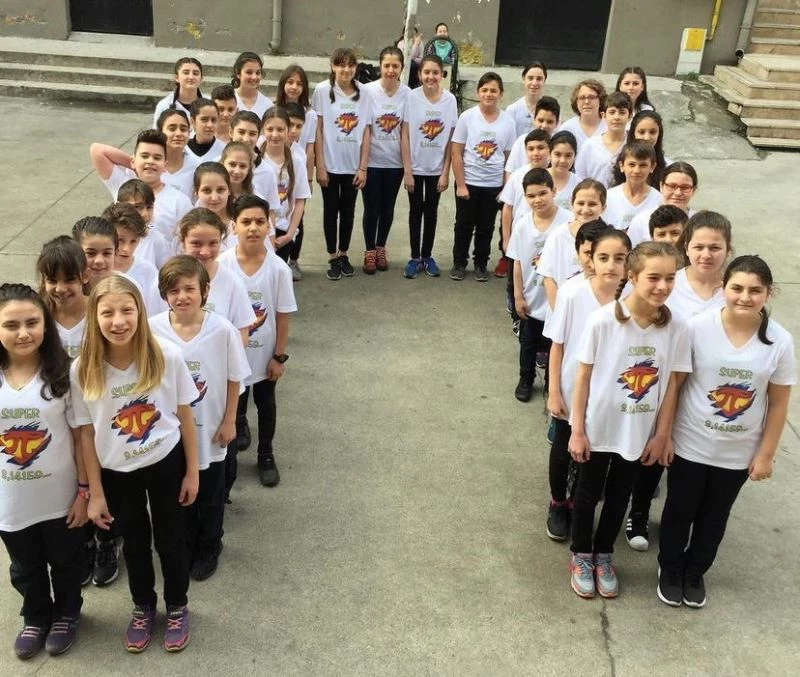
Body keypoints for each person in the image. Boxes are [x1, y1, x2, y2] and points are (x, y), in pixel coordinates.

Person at [657, 256, 795, 608]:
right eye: (737, 288)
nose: (745, 297)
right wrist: (665, 434)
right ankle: (670, 568)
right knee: (680, 509)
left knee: (715, 516)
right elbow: (675, 385)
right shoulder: (697, 328)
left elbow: (779, 403)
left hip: (738, 452)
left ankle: (695, 571)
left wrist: (765, 455)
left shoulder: (779, 341)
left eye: (755, 290)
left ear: (769, 293)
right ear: (723, 289)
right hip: (691, 442)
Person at [71, 275, 199, 652]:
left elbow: (185, 416)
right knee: (135, 544)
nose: (118, 321)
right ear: (94, 317)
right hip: (117, 471)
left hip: (165, 462)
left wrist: (192, 471)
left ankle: (177, 605)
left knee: (171, 540)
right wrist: (95, 493)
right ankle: (143, 606)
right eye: (107, 313)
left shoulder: (166, 355)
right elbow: (86, 434)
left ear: (141, 312)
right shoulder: (83, 369)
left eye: (127, 310)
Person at [568, 242, 691, 599]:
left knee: (620, 496)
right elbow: (582, 378)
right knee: (587, 494)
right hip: (599, 428)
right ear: (633, 276)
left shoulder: (677, 327)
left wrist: (662, 434)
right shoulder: (603, 320)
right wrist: (577, 430)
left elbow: (672, 385)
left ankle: (604, 553)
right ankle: (581, 554)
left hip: (637, 431)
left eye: (670, 278)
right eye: (653, 277)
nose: (662, 286)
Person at [625, 211, 732, 551]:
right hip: (663, 383)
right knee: (654, 449)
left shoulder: (732, 290)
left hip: (709, 391)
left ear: (728, 249)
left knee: (689, 464)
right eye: (698, 246)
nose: (706, 254)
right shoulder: (671, 283)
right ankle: (638, 512)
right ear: (686, 247)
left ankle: (681, 522)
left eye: (715, 247)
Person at [0, 284, 88, 659]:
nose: (23, 333)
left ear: (46, 324)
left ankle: (67, 613)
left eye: (32, 322)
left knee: (67, 563)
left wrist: (84, 492)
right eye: (11, 325)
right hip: (11, 503)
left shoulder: (65, 374)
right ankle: (35, 616)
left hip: (61, 500)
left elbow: (81, 437)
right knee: (25, 567)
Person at [150, 256, 250, 581]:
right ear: (164, 294)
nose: (182, 296)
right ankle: (188, 540)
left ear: (205, 291)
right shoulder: (151, 330)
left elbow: (235, 378)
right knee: (180, 493)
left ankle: (210, 545)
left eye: (189, 288)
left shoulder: (223, 330)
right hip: (170, 434)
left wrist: (230, 420)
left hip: (211, 431)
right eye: (173, 290)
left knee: (210, 494)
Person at [544, 225, 630, 540]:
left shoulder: (634, 298)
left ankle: (581, 502)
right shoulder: (572, 292)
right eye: (603, 257)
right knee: (563, 447)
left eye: (619, 258)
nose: (611, 265)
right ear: (590, 259)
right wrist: (554, 392)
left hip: (611, 393)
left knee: (594, 454)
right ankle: (558, 502)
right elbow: (557, 345)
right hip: (572, 387)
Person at [217, 196, 297, 488]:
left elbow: (282, 317)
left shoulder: (278, 269)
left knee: (266, 403)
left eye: (260, 222)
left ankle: (266, 454)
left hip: (264, 356)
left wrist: (278, 357)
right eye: (246, 221)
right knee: (234, 401)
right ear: (233, 226)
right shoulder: (222, 266)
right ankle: (235, 436)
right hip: (231, 356)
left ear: (269, 226)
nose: (253, 228)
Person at [506, 169, 570, 401]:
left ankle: (553, 383)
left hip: (558, 299)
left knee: (556, 344)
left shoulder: (568, 222)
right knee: (528, 343)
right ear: (524, 197)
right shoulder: (522, 225)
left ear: (554, 191)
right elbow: (517, 262)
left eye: (543, 193)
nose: (538, 200)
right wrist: (518, 296)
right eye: (531, 196)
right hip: (532, 296)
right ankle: (526, 378)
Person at [449, 72, 516, 281]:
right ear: (478, 93)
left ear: (501, 94)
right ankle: (459, 262)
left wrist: (505, 187)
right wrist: (461, 184)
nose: (488, 94)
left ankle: (481, 263)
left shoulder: (508, 121)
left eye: (493, 90)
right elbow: (456, 152)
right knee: (463, 225)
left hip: (493, 184)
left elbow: (509, 158)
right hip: (469, 181)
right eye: (484, 90)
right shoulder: (467, 117)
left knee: (486, 227)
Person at [312, 47, 371, 281]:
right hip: (330, 164)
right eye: (341, 65)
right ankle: (332, 256)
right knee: (330, 211)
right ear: (332, 66)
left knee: (348, 212)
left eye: (350, 65)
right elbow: (318, 129)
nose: (346, 69)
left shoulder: (364, 93)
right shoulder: (322, 90)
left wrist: (363, 167)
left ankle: (343, 254)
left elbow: (366, 130)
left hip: (352, 165)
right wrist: (320, 165)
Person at [400, 54, 457, 279]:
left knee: (431, 212)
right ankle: (415, 257)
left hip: (436, 169)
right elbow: (405, 135)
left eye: (435, 72)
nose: (431, 77)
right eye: (426, 72)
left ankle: (427, 256)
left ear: (441, 74)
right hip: (415, 167)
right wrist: (407, 171)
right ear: (419, 74)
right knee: (415, 211)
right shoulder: (411, 97)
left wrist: (445, 172)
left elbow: (451, 138)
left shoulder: (449, 100)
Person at [90, 129, 193, 242]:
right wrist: (135, 165)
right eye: (144, 156)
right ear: (133, 161)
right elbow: (97, 150)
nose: (150, 161)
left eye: (157, 158)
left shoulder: (180, 201)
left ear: (165, 165)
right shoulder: (123, 186)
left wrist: (141, 164)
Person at [361, 46, 410, 274]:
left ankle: (381, 247)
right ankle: (369, 251)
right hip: (371, 161)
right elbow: (365, 128)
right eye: (387, 65)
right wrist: (362, 165)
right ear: (380, 66)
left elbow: (406, 132)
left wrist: (407, 168)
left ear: (402, 68)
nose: (391, 70)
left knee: (387, 208)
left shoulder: (407, 94)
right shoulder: (367, 91)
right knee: (371, 209)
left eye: (395, 66)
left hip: (394, 163)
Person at [539, 179, 607, 309]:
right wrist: (558, 312)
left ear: (603, 207)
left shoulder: (610, 238)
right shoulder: (558, 236)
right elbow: (548, 278)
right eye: (580, 203)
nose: (585, 210)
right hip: (563, 307)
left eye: (592, 204)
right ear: (572, 204)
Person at [277, 65, 318, 280]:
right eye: (290, 82)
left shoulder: (309, 115)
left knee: (296, 215)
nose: (294, 87)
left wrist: (309, 178)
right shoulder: (274, 110)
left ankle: (293, 260)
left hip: (296, 173)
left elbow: (310, 147)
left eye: (299, 83)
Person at [259, 107, 311, 262]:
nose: (275, 134)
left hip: (282, 229)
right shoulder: (256, 157)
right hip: (257, 226)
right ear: (263, 130)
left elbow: (300, 200)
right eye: (270, 129)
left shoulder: (296, 161)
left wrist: (290, 234)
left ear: (287, 130)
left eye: (280, 129)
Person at [627, 161, 698, 247]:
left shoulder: (699, 222)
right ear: (661, 186)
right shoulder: (641, 221)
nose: (678, 193)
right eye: (672, 186)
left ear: (694, 190)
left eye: (685, 187)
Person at [574, 91, 633, 187]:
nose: (616, 117)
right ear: (604, 116)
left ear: (629, 116)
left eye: (622, 113)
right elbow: (579, 177)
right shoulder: (590, 145)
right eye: (612, 112)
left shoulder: (632, 145)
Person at [604, 141, 661, 232]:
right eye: (631, 165)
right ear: (621, 166)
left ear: (652, 167)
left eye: (643, 165)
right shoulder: (608, 197)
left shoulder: (659, 200)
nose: (636, 170)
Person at [117, 179, 171, 268]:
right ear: (119, 206)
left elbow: (166, 271)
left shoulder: (156, 239)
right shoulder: (107, 235)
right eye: (137, 207)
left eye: (149, 207)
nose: (145, 214)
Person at [503, 96, 561, 174]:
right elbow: (509, 172)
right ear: (534, 119)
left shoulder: (558, 145)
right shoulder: (521, 141)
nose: (544, 126)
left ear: (557, 123)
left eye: (549, 122)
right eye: (540, 120)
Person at [612, 111, 668, 189]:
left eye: (652, 132)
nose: (647, 138)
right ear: (633, 134)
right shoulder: (618, 164)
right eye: (641, 132)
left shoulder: (667, 167)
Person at [156, 108, 199, 198]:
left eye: (183, 129)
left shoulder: (196, 168)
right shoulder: (149, 164)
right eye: (172, 129)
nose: (179, 133)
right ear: (160, 132)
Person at [556, 79, 607, 154]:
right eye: (582, 98)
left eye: (591, 97)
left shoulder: (608, 127)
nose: (587, 102)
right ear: (576, 102)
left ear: (600, 100)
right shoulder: (567, 128)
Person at [152, 57, 203, 128]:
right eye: (186, 73)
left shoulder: (211, 103)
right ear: (176, 77)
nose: (191, 77)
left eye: (195, 73)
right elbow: (157, 134)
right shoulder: (164, 105)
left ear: (201, 79)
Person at [505, 62, 548, 137]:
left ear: (544, 81)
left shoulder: (550, 110)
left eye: (539, 79)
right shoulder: (512, 110)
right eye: (530, 78)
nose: (534, 83)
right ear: (524, 79)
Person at [231, 52, 273, 120]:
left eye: (258, 73)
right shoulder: (227, 99)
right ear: (238, 73)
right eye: (249, 72)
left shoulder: (268, 105)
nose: (254, 77)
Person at [193, 162, 234, 229]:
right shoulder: (188, 226)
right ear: (196, 192)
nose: (214, 198)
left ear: (229, 190)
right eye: (207, 190)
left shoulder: (242, 220)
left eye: (220, 189)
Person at [547, 131, 580, 211]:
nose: (562, 160)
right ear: (549, 154)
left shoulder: (578, 183)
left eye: (568, 155)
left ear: (575, 156)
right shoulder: (538, 179)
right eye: (557, 154)